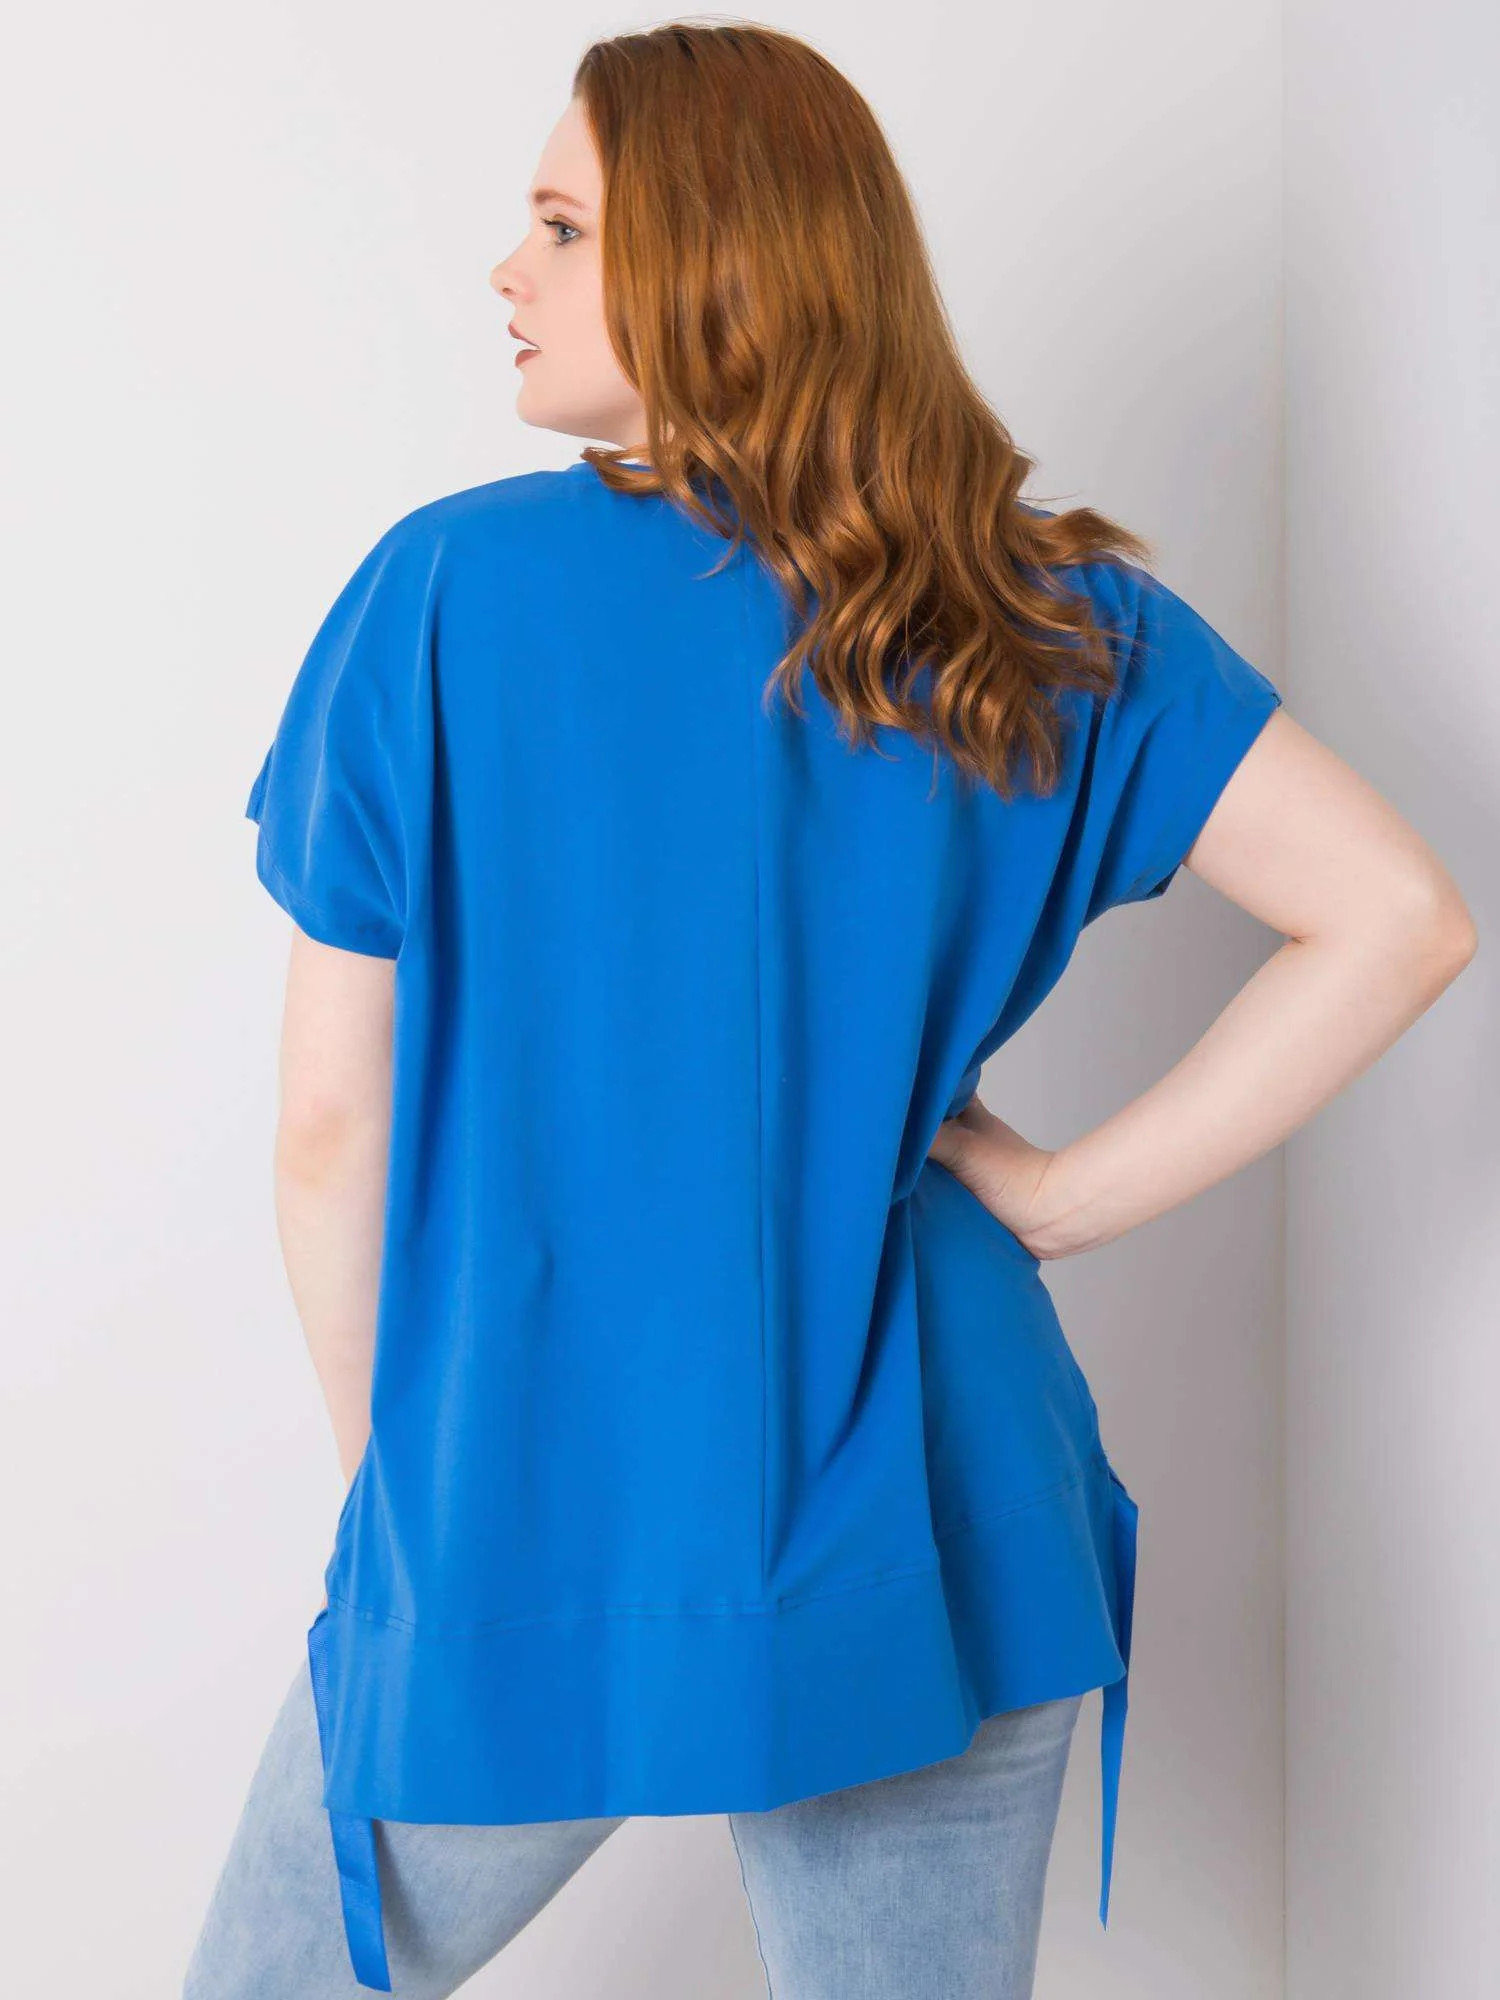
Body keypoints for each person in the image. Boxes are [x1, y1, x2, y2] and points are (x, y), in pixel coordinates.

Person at [184, 22, 1477, 2000]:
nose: (508, 268)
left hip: (544, 1483)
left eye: (561, 225)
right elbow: (1396, 917)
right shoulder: (1038, 617)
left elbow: (325, 1130)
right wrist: (1060, 1197)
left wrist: (410, 1504)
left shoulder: (437, 600)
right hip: (937, 1495)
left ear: (722, 260)